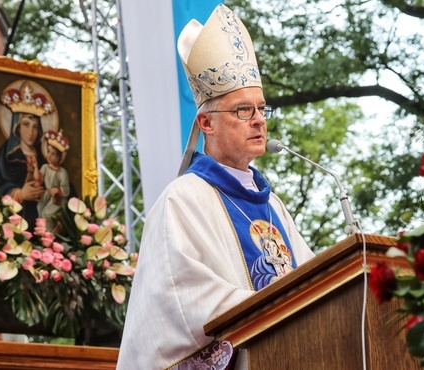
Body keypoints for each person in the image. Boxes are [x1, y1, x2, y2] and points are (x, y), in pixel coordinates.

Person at [117, 4, 315, 369]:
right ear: (206, 122)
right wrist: (271, 309)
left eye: (261, 109)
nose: (258, 121)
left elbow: (314, 282)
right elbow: (179, 298)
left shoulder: (273, 205)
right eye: (243, 111)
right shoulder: (182, 199)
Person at [0, 80, 55, 228]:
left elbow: (66, 193)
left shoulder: (45, 160)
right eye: (26, 124)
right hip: (13, 228)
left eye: (35, 127)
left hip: (42, 229)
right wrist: (19, 194)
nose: (31, 132)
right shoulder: (4, 158)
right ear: (16, 127)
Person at [36, 129, 71, 231]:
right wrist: (34, 167)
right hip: (47, 195)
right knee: (40, 209)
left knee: (46, 213)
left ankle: (50, 234)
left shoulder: (62, 172)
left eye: (53, 154)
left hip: (58, 200)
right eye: (48, 152)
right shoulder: (45, 167)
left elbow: (66, 190)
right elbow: (39, 178)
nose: (49, 156)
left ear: (59, 157)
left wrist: (57, 190)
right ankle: (42, 234)